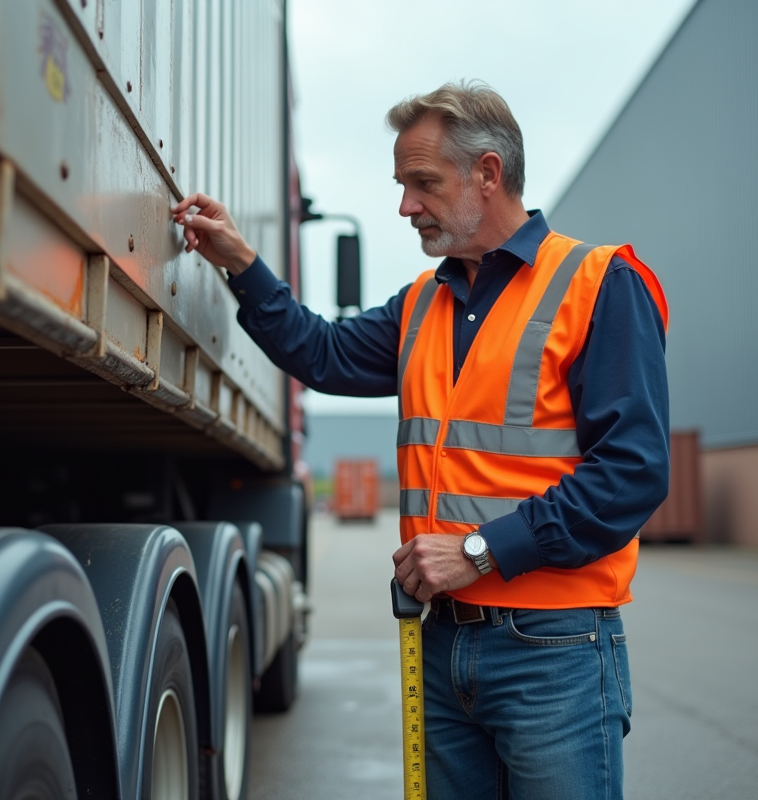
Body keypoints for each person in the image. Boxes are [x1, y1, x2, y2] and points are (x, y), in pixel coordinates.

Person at [173, 80, 669, 800]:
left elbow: (631, 476)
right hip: (441, 641)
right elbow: (321, 352)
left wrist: (480, 550)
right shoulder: (422, 303)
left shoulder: (600, 283)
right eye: (403, 184)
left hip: (555, 650)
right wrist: (241, 264)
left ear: (488, 174)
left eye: (422, 184)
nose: (406, 206)